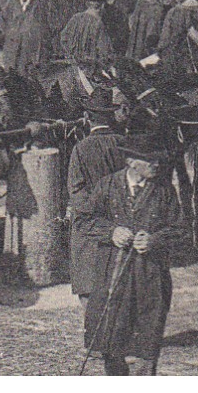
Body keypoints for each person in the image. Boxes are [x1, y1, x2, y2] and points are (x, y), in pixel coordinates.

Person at [77, 134, 185, 375]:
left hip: (150, 278)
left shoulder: (165, 191)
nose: (157, 165)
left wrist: (155, 241)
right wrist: (111, 232)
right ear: (131, 161)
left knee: (147, 345)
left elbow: (180, 230)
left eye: (158, 160)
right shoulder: (107, 186)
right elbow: (83, 222)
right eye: (150, 161)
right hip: (113, 278)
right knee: (111, 342)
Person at [69, 90, 126, 311]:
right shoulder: (123, 144)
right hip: (120, 223)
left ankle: (96, 335)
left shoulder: (80, 149)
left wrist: (92, 214)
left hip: (90, 227)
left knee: (88, 286)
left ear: (87, 117)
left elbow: (76, 192)